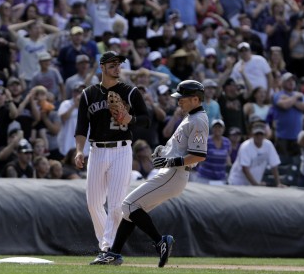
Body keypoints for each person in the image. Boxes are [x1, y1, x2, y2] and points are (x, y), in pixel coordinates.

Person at [92, 80, 208, 266]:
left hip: (174, 174)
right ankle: (113, 253)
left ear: (195, 99)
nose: (178, 101)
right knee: (131, 210)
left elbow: (199, 155)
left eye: (182, 98)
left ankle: (160, 241)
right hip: (171, 173)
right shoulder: (190, 116)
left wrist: (171, 160)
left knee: (128, 204)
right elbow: (182, 147)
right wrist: (164, 151)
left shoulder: (198, 120)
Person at [74, 51, 150, 263]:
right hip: (96, 150)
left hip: (121, 150)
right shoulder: (88, 94)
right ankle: (105, 246)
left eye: (119, 65)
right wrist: (79, 150)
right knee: (93, 203)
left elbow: (146, 119)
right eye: (113, 65)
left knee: (116, 204)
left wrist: (130, 118)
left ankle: (108, 249)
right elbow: (81, 126)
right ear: (102, 67)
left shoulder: (130, 91)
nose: (117, 68)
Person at [228, 123, 284, 187]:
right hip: (237, 183)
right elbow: (245, 169)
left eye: (261, 134)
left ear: (264, 135)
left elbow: (274, 165)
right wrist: (256, 184)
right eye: (257, 134)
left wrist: (278, 183)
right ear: (252, 135)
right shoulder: (245, 146)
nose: (259, 137)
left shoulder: (269, 145)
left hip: (253, 184)